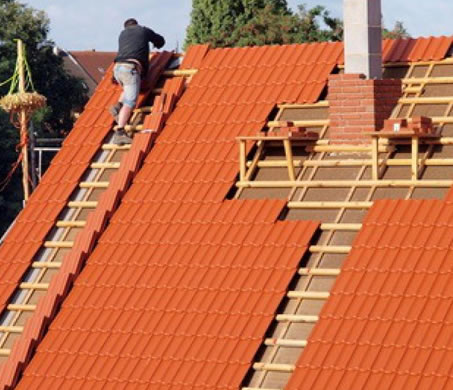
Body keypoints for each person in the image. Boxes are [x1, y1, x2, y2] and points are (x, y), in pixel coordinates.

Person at [110, 18, 165, 144]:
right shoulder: (142, 30)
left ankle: (118, 106)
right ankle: (120, 132)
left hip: (117, 68)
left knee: (127, 87)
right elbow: (160, 40)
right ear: (136, 24)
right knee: (130, 102)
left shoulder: (122, 34)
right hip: (131, 68)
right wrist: (158, 44)